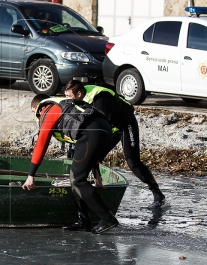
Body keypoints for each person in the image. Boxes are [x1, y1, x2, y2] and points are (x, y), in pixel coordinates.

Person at [23, 94, 119, 234]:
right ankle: (83, 220)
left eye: (34, 113)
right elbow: (91, 146)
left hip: (91, 132)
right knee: (75, 176)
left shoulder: (48, 110)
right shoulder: (64, 104)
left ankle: (108, 218)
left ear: (36, 107)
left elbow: (41, 143)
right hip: (104, 129)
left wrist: (31, 175)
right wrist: (96, 172)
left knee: (78, 180)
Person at [64, 80, 166, 208]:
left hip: (124, 124)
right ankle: (95, 186)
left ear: (79, 93)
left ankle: (157, 193)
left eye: (69, 97)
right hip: (109, 126)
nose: (67, 99)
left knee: (133, 162)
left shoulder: (100, 97)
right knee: (92, 156)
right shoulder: (80, 97)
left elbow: (100, 130)